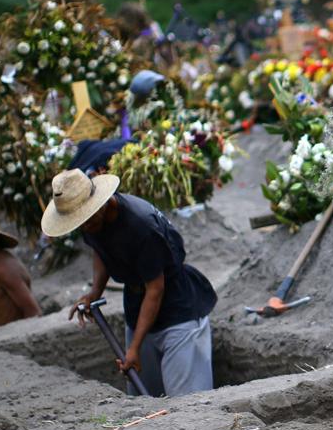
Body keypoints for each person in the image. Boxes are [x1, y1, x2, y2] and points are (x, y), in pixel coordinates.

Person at [42, 169, 217, 397]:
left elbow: (155, 289)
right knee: (146, 400)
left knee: (190, 402)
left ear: (101, 203)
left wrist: (134, 348)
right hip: (137, 305)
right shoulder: (91, 223)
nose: (85, 227)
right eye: (80, 223)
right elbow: (100, 249)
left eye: (88, 219)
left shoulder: (141, 226)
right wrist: (95, 291)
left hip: (177, 307)